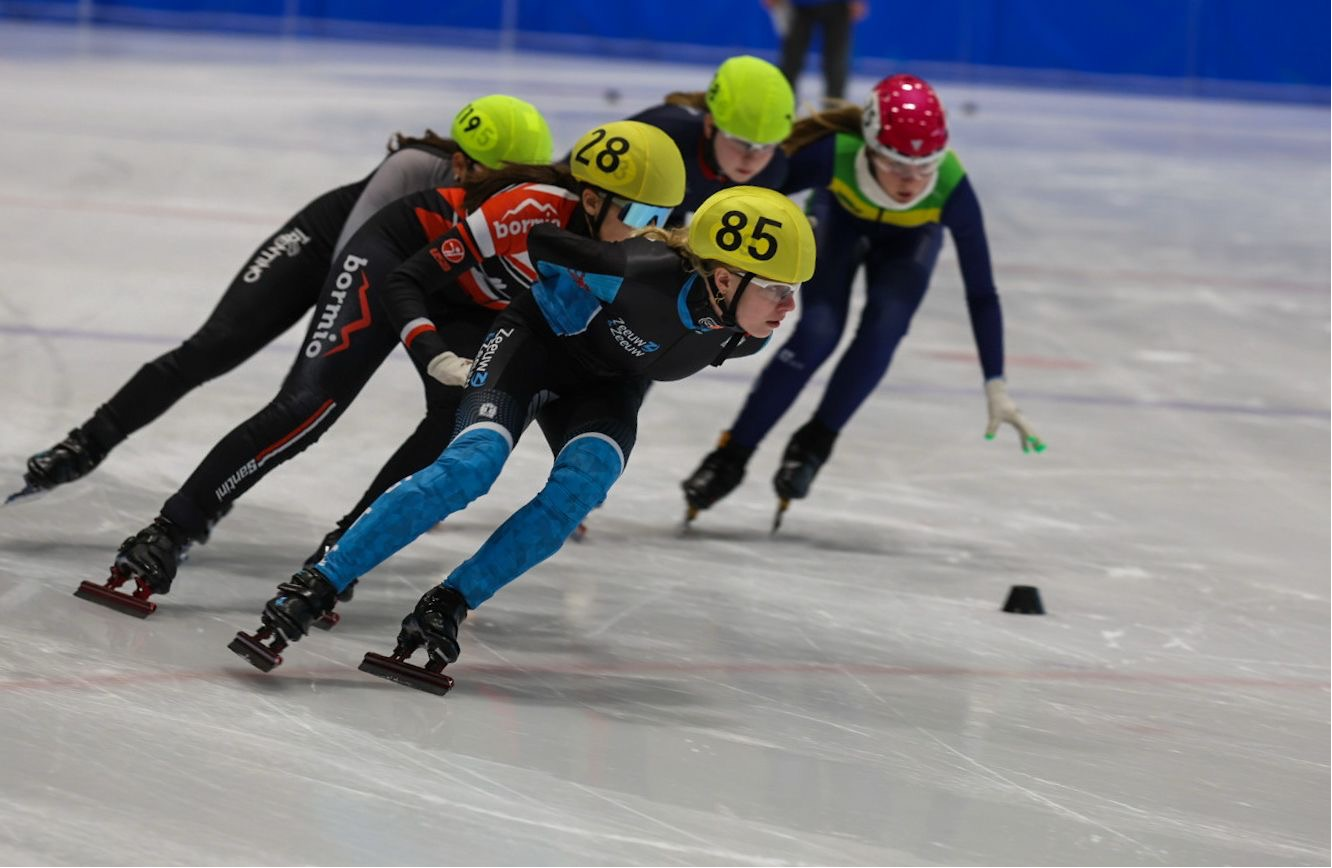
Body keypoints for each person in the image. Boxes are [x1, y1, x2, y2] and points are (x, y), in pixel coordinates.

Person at [77, 124, 720, 624]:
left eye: (662, 220)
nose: (650, 234)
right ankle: (172, 528)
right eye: (640, 217)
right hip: (395, 262)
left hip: (473, 301)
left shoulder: (628, 248)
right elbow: (411, 278)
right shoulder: (530, 209)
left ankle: (340, 552)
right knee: (311, 406)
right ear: (591, 199)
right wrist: (430, 350)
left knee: (452, 427)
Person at [230, 184, 817, 689]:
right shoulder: (638, 269)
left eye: (791, 289)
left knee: (583, 487)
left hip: (608, 387)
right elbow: (543, 241)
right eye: (776, 288)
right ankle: (317, 583)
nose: (789, 306)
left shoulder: (746, 335)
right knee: (472, 466)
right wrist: (569, 297)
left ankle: (448, 603)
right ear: (724, 278)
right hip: (531, 350)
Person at [10, 94, 549, 507]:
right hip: (326, 249)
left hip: (409, 277)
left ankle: (348, 535)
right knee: (216, 349)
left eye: (514, 180)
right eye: (486, 172)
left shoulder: (522, 207)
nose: (503, 190)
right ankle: (86, 443)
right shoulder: (413, 166)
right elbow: (352, 261)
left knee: (446, 404)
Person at [682, 73, 1046, 531]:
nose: (910, 182)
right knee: (818, 331)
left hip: (910, 242)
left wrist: (996, 381)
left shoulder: (951, 187)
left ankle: (814, 445)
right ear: (870, 148)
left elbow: (982, 291)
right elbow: (752, 199)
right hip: (839, 221)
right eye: (896, 165)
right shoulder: (835, 154)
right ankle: (731, 454)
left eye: (925, 167)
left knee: (883, 331)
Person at [625, 54, 795, 214]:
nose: (752, 159)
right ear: (709, 126)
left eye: (766, 146)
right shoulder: (656, 145)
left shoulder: (771, 172)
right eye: (742, 142)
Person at [762, 0, 869, 103]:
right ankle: (784, 105)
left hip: (837, 6)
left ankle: (834, 110)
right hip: (799, 6)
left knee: (836, 64)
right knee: (790, 61)